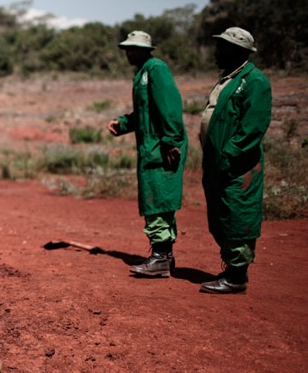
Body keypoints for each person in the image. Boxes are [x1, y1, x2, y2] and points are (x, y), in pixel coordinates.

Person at [108, 31, 187, 277]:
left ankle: (160, 257)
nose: (128, 53)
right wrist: (123, 123)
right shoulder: (142, 72)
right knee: (156, 199)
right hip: (151, 147)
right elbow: (145, 113)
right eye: (127, 49)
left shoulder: (156, 69)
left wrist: (171, 140)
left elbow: (170, 106)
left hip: (161, 148)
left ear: (145, 50)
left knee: (158, 201)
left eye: (133, 49)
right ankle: (164, 257)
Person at [198, 27, 272, 294]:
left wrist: (229, 154)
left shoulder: (255, 82)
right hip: (218, 162)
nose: (218, 52)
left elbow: (253, 127)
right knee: (220, 214)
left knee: (237, 214)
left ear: (238, 52)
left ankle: (237, 276)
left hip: (238, 165)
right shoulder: (228, 79)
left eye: (223, 48)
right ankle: (232, 268)